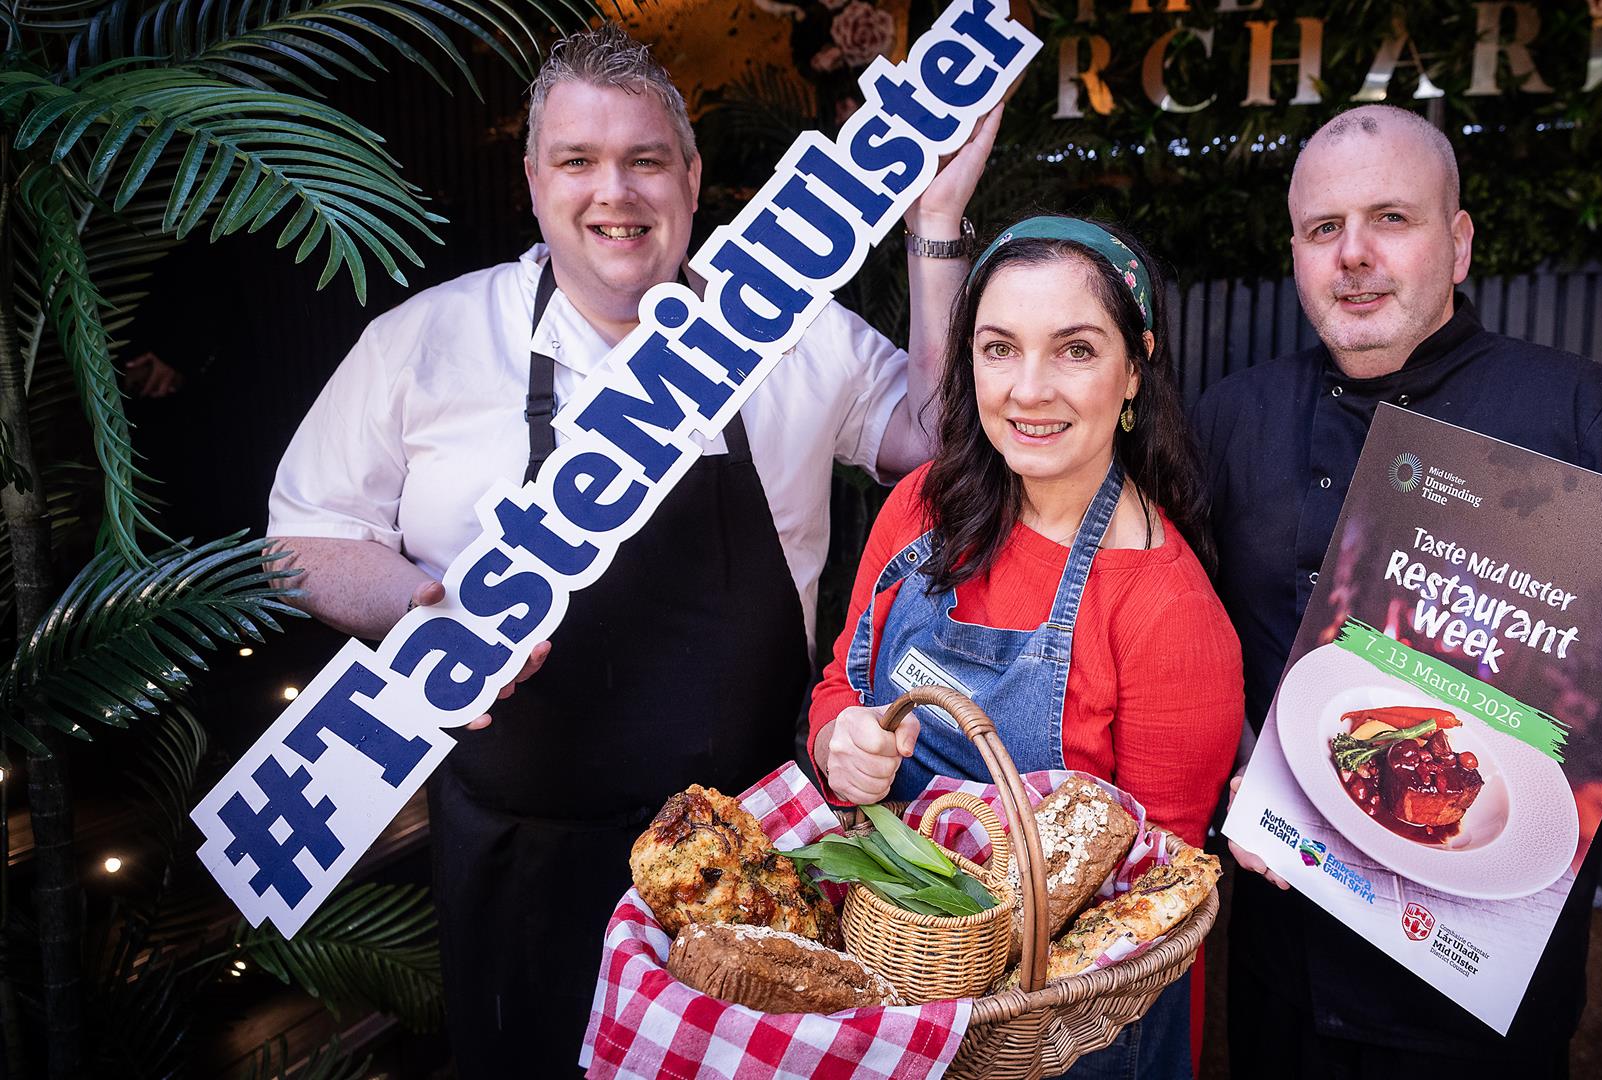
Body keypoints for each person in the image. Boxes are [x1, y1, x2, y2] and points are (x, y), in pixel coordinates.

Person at [266, 25, 999, 1077]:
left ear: (692, 178)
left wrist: (936, 227)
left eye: (646, 159)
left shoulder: (794, 334)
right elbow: (301, 542)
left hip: (753, 875)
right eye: (578, 160)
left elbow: (936, 447)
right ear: (533, 181)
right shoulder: (423, 343)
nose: (616, 191)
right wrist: (419, 605)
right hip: (519, 871)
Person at [1197, 104, 1602, 1077]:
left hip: (1487, 985)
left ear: (1458, 242)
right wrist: (1236, 767)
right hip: (1285, 958)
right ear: (1297, 253)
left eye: (1391, 219)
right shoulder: (1231, 417)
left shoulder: (1583, 411)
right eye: (1324, 229)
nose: (1353, 254)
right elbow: (1193, 645)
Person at [809, 215, 1244, 1078]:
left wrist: (999, 996)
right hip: (887, 976)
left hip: (1059, 1033)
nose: (1029, 389)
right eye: (999, 348)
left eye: (1075, 350)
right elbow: (839, 684)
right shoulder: (922, 508)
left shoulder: (1167, 610)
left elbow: (1159, 904)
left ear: (1134, 370)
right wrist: (840, 747)